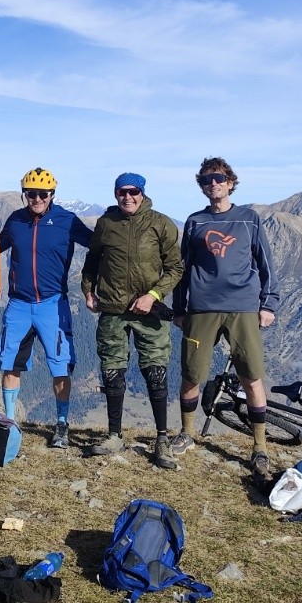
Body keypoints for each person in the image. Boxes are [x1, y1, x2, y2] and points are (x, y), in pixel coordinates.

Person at [172, 157, 280, 479]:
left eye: (219, 178)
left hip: (243, 306)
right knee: (192, 374)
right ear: (202, 187)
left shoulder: (249, 219)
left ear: (231, 182)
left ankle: (260, 447)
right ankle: (187, 433)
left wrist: (268, 304)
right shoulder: (194, 222)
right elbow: (183, 268)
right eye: (207, 180)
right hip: (201, 308)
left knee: (251, 376)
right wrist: (180, 309)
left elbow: (266, 264)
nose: (213, 184)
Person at [80, 173, 183, 467]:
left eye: (133, 191)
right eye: (122, 192)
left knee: (155, 371)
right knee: (112, 371)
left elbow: (176, 268)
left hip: (148, 311)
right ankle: (114, 436)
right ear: (115, 194)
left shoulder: (160, 223)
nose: (128, 197)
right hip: (112, 309)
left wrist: (153, 294)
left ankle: (162, 439)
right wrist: (88, 291)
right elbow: (92, 260)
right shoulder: (106, 223)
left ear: (142, 192)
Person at [0, 166, 94, 448]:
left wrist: (91, 285)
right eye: (31, 194)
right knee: (10, 363)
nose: (36, 198)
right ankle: (10, 423)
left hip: (53, 303)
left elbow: (98, 246)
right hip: (18, 303)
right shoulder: (16, 220)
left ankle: (62, 426)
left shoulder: (67, 220)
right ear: (24, 194)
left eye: (42, 194)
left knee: (60, 366)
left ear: (52, 194)